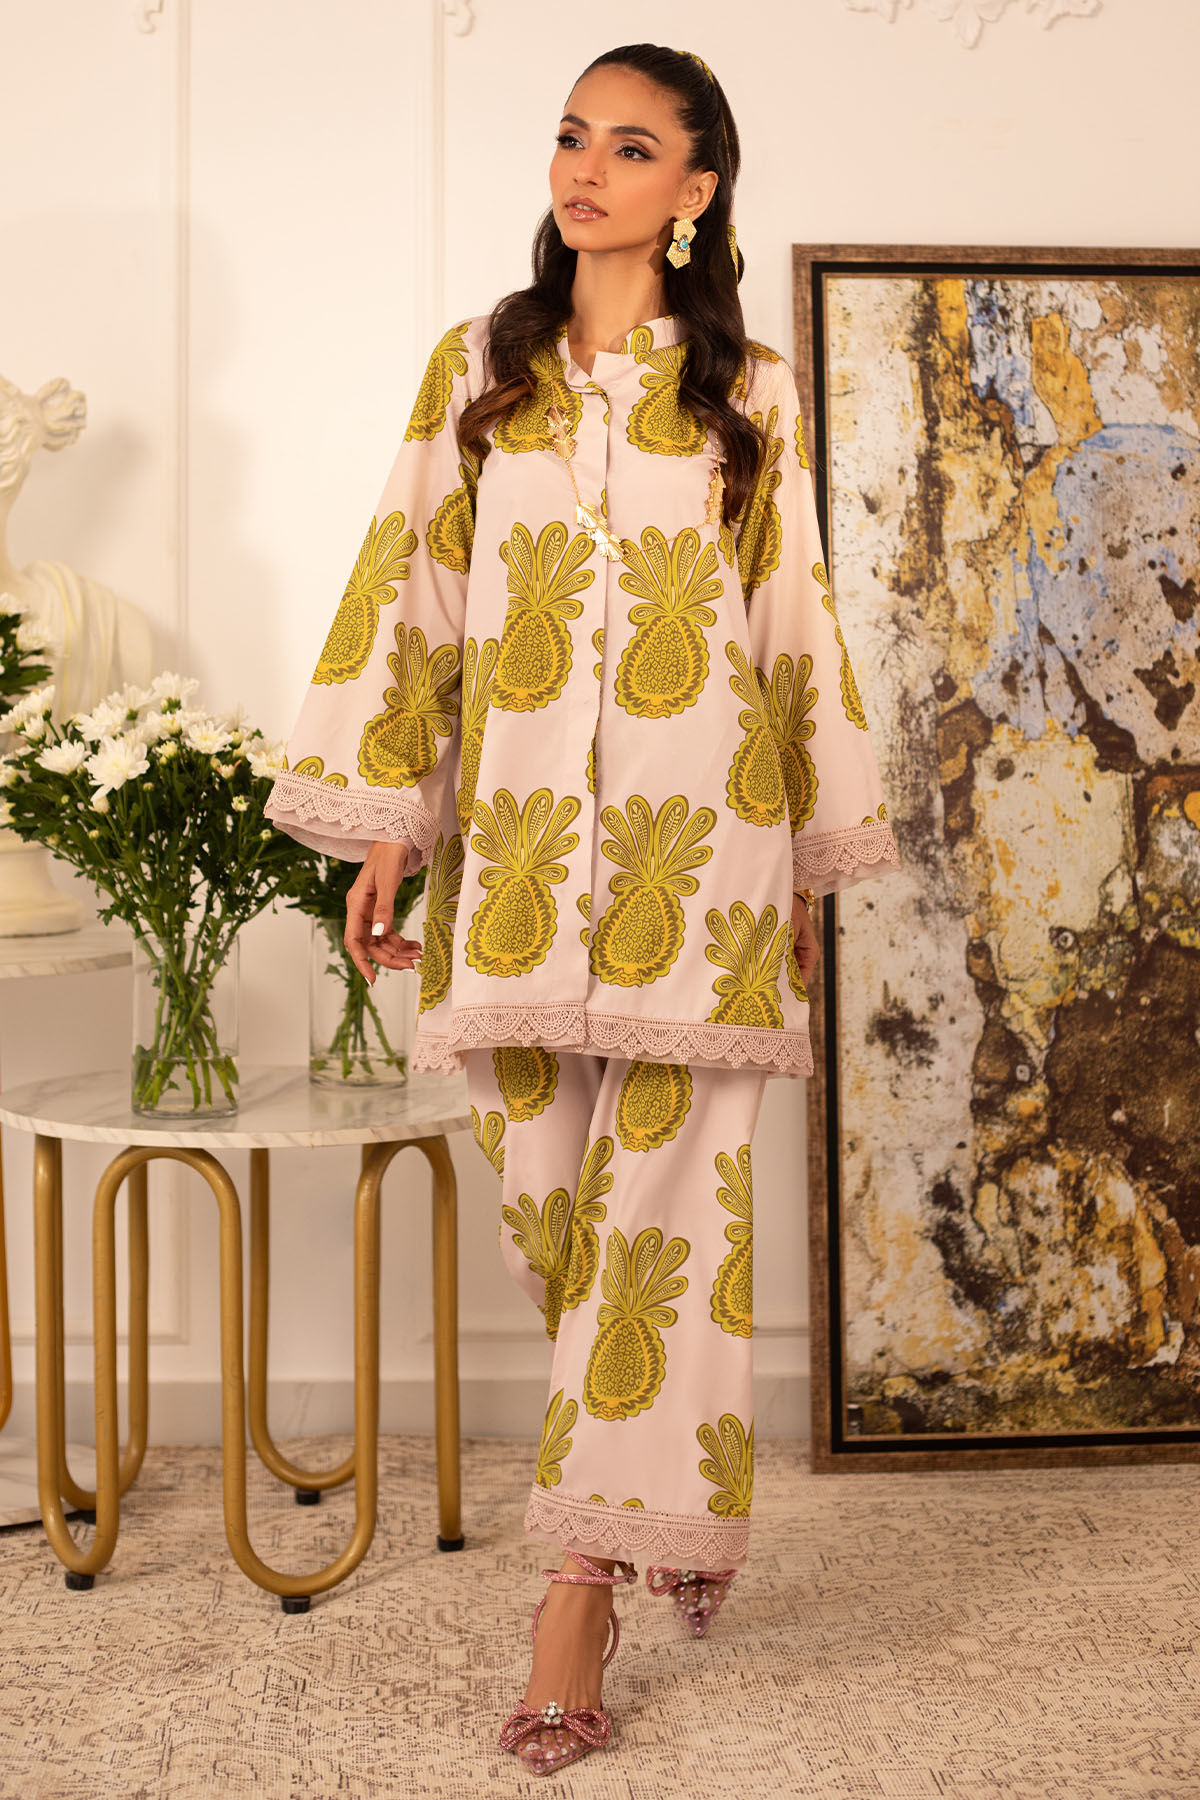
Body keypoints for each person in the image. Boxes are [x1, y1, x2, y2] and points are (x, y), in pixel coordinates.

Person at [265, 41, 900, 1777]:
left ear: (696, 191)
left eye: (630, 147)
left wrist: (816, 859)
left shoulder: (751, 391)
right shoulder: (481, 367)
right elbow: (412, 585)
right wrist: (390, 821)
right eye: (571, 137)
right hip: (521, 862)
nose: (586, 170)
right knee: (560, 1218)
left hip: (714, 856)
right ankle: (662, 1496)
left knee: (667, 1227)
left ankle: (578, 1600)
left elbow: (795, 623)